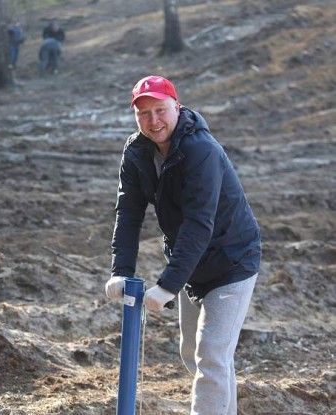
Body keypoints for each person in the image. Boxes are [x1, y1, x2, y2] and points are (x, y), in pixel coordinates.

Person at [104, 75, 261, 415]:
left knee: (211, 356)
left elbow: (198, 224)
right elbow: (129, 213)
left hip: (232, 261)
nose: (153, 120)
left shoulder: (200, 150)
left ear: (176, 106)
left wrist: (168, 285)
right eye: (144, 113)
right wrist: (121, 271)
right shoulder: (137, 153)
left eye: (160, 110)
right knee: (193, 354)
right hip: (193, 264)